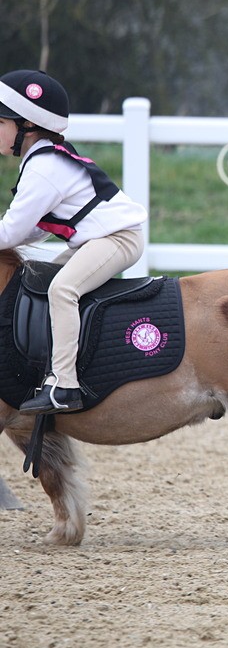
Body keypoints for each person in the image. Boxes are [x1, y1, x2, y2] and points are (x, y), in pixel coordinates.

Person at [0, 70, 148, 414]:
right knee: (38, 283)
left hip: (117, 239)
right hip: (99, 239)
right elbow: (33, 228)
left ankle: (64, 386)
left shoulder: (43, 168)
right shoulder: (42, 159)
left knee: (62, 290)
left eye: (1, 122)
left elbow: (10, 234)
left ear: (27, 125)